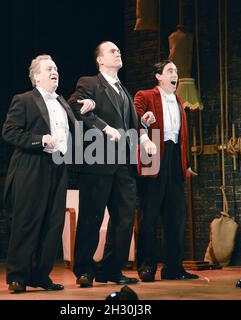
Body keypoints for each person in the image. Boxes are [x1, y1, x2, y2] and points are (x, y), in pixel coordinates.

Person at [2, 55, 93, 293]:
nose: (55, 71)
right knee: (28, 221)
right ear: (36, 76)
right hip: (31, 166)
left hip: (58, 166)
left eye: (56, 68)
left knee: (53, 223)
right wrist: (39, 140)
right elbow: (9, 132)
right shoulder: (23, 100)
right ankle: (18, 276)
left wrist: (85, 113)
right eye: (49, 68)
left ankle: (41, 275)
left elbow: (76, 132)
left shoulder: (62, 102)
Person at [68, 41, 155, 288]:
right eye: (112, 51)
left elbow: (131, 125)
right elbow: (75, 106)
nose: (118, 53)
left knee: (124, 218)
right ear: (100, 60)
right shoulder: (89, 83)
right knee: (91, 218)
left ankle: (111, 269)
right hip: (97, 162)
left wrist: (144, 125)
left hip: (124, 166)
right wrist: (103, 128)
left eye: (119, 50)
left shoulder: (124, 91)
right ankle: (85, 270)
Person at [134, 60, 199, 282]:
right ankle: (147, 266)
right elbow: (135, 120)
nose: (175, 75)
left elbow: (182, 136)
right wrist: (144, 126)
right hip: (153, 155)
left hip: (174, 159)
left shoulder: (179, 100)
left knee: (176, 217)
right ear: (159, 76)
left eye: (177, 71)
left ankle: (174, 267)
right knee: (149, 215)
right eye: (171, 71)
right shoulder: (145, 95)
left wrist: (186, 163)